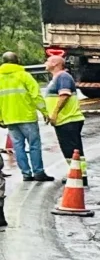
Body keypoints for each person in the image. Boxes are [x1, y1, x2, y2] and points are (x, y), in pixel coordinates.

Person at [0, 51, 46, 182]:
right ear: (17, 61)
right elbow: (36, 95)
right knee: (34, 145)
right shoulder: (24, 76)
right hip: (27, 117)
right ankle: (39, 172)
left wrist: (0, 118)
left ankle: (26, 174)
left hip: (10, 118)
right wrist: (45, 112)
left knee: (18, 147)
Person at [42, 57, 84, 167]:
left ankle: (79, 177)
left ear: (55, 63)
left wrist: (55, 113)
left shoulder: (63, 76)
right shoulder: (57, 78)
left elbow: (64, 95)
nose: (45, 63)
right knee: (68, 150)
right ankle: (75, 174)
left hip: (68, 120)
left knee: (73, 150)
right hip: (63, 120)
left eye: (48, 61)